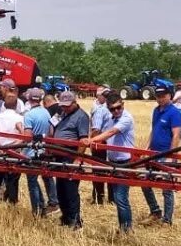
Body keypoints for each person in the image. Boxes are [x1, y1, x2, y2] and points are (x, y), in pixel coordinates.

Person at [82, 92, 135, 233]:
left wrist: (91, 140)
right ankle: (124, 226)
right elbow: (104, 133)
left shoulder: (126, 118)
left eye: (119, 107)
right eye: (112, 109)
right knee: (118, 198)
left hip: (125, 162)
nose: (116, 111)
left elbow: (111, 132)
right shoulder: (113, 118)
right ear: (108, 108)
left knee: (120, 197)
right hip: (113, 161)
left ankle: (127, 229)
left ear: (123, 104)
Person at [141, 86, 181, 225]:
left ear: (169, 96)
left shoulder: (175, 113)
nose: (160, 98)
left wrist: (171, 156)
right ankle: (155, 211)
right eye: (158, 96)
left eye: (163, 96)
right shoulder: (156, 111)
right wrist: (146, 148)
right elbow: (154, 130)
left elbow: (176, 135)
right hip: (153, 153)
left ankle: (167, 219)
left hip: (166, 154)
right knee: (145, 183)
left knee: (166, 188)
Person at [51, 91, 90, 229]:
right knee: (60, 188)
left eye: (67, 105)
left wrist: (78, 159)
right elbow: (53, 126)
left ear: (75, 102)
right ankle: (65, 216)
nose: (65, 108)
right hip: (59, 155)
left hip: (70, 156)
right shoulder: (61, 113)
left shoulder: (82, 117)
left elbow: (83, 140)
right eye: (63, 105)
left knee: (70, 189)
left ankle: (75, 220)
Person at [22, 88, 60, 216]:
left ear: (29, 99)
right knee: (47, 177)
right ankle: (54, 201)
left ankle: (38, 208)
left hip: (32, 153)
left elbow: (27, 136)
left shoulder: (28, 115)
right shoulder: (46, 113)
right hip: (45, 151)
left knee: (32, 182)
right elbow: (50, 132)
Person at [0, 88, 25, 208]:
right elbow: (24, 137)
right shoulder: (21, 119)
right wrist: (12, 148)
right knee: (13, 180)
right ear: (16, 105)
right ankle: (12, 205)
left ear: (3, 105)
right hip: (14, 153)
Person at [89, 87, 113, 205]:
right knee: (109, 170)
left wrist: (92, 142)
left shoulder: (101, 110)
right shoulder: (113, 110)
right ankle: (109, 199)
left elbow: (96, 130)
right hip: (108, 143)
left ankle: (99, 198)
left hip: (101, 144)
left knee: (98, 170)